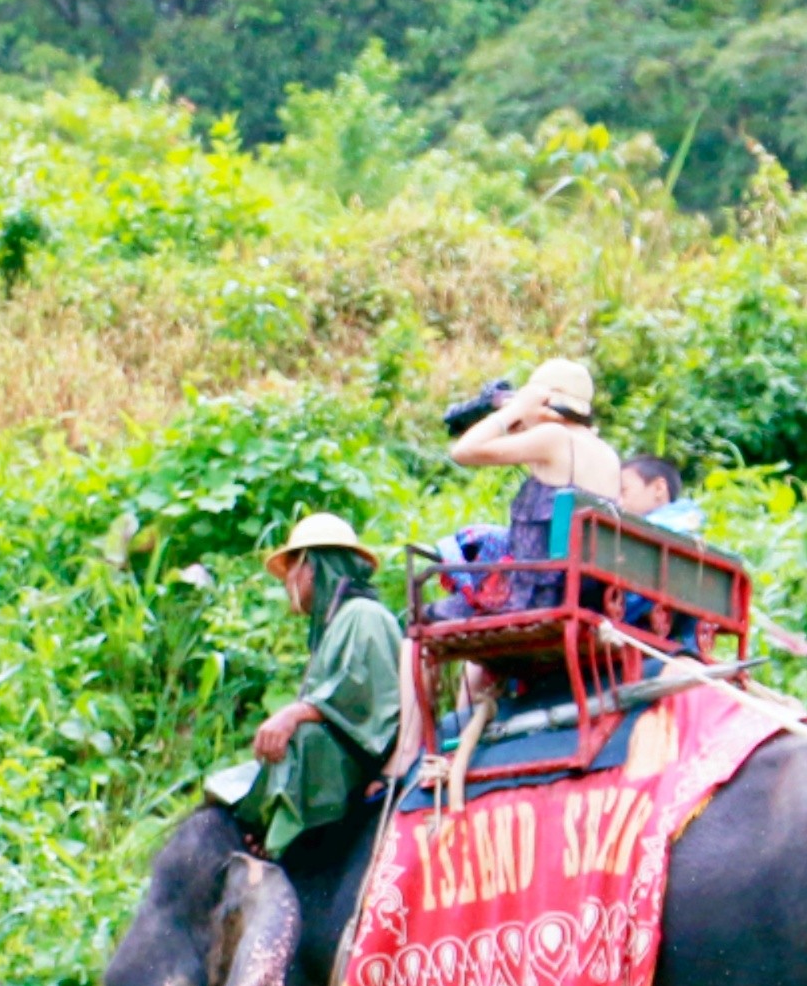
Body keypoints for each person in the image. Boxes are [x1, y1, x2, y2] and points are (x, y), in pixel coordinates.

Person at [245, 512, 405, 855]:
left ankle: (283, 846)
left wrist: (295, 714)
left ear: (312, 566)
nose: (287, 579)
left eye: (292, 568)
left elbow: (362, 696)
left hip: (370, 757)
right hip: (349, 751)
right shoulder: (333, 625)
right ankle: (264, 827)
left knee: (304, 738)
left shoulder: (363, 615)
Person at [438, 356, 621, 618]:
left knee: (438, 598)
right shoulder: (604, 452)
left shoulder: (554, 437)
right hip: (584, 588)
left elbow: (463, 452)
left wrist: (512, 411)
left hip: (539, 590)